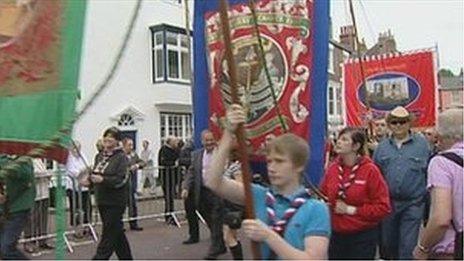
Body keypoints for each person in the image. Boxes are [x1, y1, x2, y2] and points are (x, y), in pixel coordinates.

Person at [206, 104, 330, 259]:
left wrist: (269, 236)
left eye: (279, 161)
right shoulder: (259, 195)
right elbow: (213, 182)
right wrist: (228, 132)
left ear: (299, 166)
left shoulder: (316, 209)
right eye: (269, 161)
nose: (271, 168)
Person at [320, 127, 391, 259]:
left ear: (356, 146)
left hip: (362, 236)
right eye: (339, 138)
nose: (338, 142)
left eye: (344, 139)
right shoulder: (333, 169)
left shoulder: (370, 171)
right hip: (336, 235)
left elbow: (383, 208)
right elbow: (323, 194)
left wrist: (351, 210)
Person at [373, 106, 431, 259]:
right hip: (388, 204)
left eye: (402, 122)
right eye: (394, 122)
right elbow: (375, 177)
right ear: (390, 124)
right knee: (387, 244)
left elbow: (429, 174)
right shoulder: (382, 148)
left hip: (413, 203)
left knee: (408, 246)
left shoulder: (423, 145)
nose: (398, 126)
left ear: (409, 123)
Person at [413, 108, 463, 260]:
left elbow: (441, 218)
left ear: (440, 134)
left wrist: (422, 248)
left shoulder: (441, 163)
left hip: (454, 249)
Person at [81, 127, 133, 260]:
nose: (108, 139)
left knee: (108, 235)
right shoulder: (99, 156)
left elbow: (121, 179)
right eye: (106, 137)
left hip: (116, 202)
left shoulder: (122, 158)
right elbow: (96, 175)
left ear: (117, 141)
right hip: (102, 200)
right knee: (117, 234)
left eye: (112, 137)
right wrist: (89, 181)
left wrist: (103, 180)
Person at [181, 130, 226, 259]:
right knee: (209, 220)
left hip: (217, 191)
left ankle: (214, 250)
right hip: (202, 192)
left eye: (211, 139)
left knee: (216, 219)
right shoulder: (196, 155)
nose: (209, 142)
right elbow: (191, 173)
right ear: (202, 141)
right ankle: (220, 243)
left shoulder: (221, 154)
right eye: (207, 140)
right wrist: (186, 188)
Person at [0, 154, 36, 259]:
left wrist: (4, 164)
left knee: (6, 248)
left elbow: (25, 173)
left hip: (18, 208)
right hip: (3, 208)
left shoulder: (23, 157)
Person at [23, 158, 53, 255]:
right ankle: (29, 241)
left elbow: (45, 172)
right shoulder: (26, 160)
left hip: (44, 192)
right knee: (31, 219)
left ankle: (42, 240)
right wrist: (40, 175)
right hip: (34, 194)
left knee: (43, 218)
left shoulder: (40, 160)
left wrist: (48, 175)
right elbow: (28, 175)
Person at [65, 141, 92, 235]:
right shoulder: (69, 158)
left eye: (78, 148)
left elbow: (88, 167)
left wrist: (86, 173)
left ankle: (87, 226)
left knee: (87, 206)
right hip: (74, 187)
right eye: (75, 148)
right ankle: (76, 229)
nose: (77, 150)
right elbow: (72, 171)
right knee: (75, 208)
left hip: (84, 186)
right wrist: (82, 171)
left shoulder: (82, 156)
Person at [122, 138, 146, 231]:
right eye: (129, 145)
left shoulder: (133, 154)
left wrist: (137, 166)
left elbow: (142, 162)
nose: (131, 147)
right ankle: (120, 225)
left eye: (132, 145)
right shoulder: (120, 155)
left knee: (132, 204)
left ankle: (133, 223)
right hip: (122, 183)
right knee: (122, 205)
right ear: (124, 146)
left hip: (131, 182)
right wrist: (127, 168)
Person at [158, 136, 179, 225]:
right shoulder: (163, 150)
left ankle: (171, 213)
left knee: (171, 197)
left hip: (173, 177)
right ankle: (168, 215)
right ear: (169, 142)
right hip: (166, 177)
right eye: (174, 141)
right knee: (168, 197)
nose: (176, 143)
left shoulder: (175, 150)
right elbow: (163, 162)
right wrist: (174, 163)